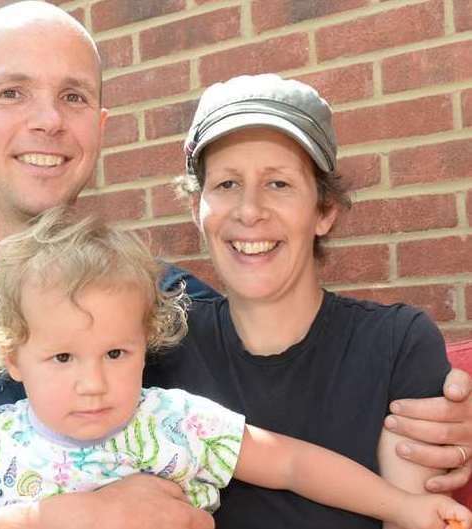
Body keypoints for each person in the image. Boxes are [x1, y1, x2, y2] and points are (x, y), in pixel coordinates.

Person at [0, 2, 470, 528]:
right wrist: (65, 518)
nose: (48, 122)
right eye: (11, 93)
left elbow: (281, 436)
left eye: (73, 97)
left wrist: (436, 416)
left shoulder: (163, 301)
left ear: (100, 123)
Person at [0, 207, 470, 529]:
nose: (93, 382)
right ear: (15, 360)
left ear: (145, 343)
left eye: (116, 353)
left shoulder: (173, 421)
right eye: (62, 357)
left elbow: (289, 462)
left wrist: (403, 507)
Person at [145, 73, 472, 529]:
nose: (249, 210)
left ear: (324, 210)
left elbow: (414, 517)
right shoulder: (158, 344)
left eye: (278, 183)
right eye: (226, 185)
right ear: (197, 208)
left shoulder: (396, 344)